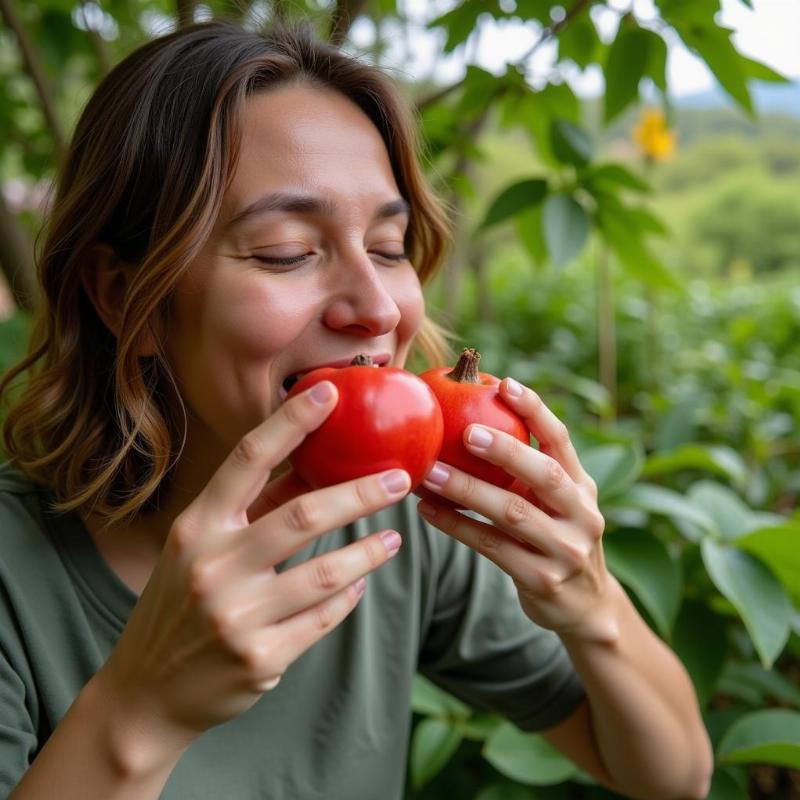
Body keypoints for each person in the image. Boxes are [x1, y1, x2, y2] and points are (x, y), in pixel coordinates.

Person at [0, 20, 713, 800]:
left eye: (388, 246)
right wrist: (141, 710)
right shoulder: (16, 573)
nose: (375, 309)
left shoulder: (400, 523)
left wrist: (591, 604)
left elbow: (671, 777)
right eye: (284, 250)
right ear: (122, 298)